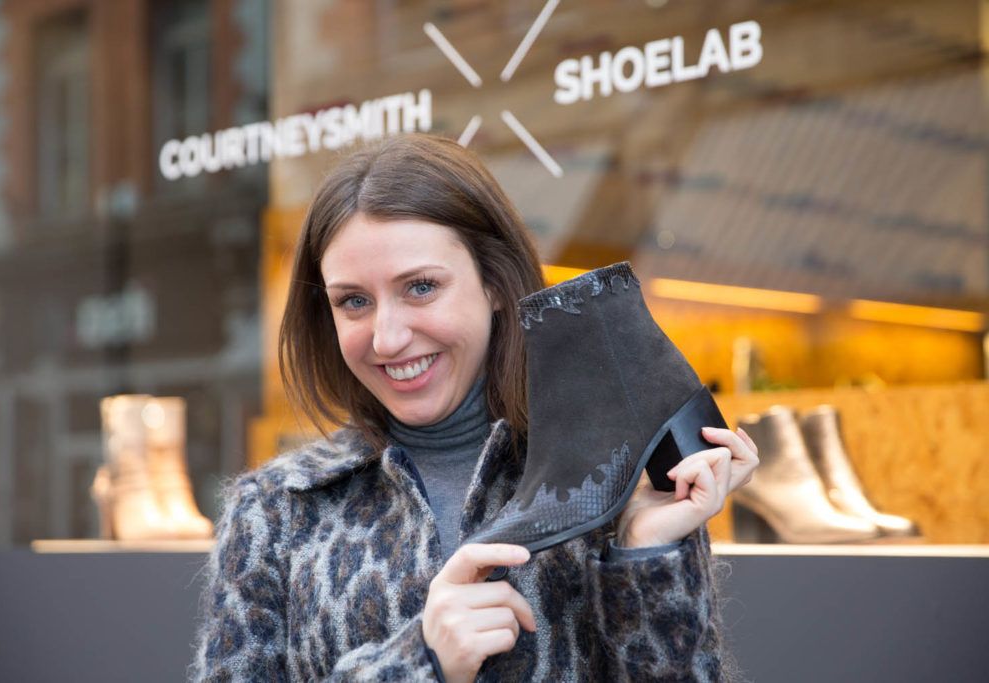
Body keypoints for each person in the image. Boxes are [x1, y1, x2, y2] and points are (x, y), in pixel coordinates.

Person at [188, 133, 759, 682]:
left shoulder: (606, 486)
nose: (386, 338)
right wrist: (420, 663)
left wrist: (648, 553)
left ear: (493, 284)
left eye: (420, 287)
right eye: (354, 301)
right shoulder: (275, 513)